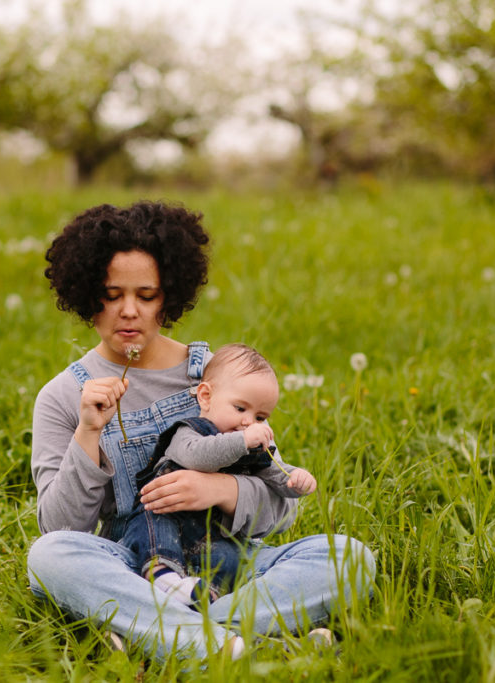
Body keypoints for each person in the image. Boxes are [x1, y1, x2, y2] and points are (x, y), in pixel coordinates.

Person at [27, 200, 375, 661]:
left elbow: (282, 504)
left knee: (350, 558)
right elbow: (61, 527)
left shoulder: (210, 376)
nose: (129, 311)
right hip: (138, 567)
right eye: (112, 295)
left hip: (232, 557)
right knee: (49, 557)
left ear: (168, 295)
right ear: (88, 293)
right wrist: (88, 433)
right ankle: (250, 638)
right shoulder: (62, 395)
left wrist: (219, 489)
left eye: (146, 296)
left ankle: (170, 634)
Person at [121, 343, 318, 609]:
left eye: (261, 416)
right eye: (240, 409)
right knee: (153, 526)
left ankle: (205, 601)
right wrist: (242, 441)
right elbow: (199, 456)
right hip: (165, 515)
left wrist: (296, 479)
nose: (250, 422)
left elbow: (275, 473)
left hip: (214, 536)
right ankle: (162, 575)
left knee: (230, 557)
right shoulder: (190, 432)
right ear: (205, 396)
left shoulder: (252, 443)